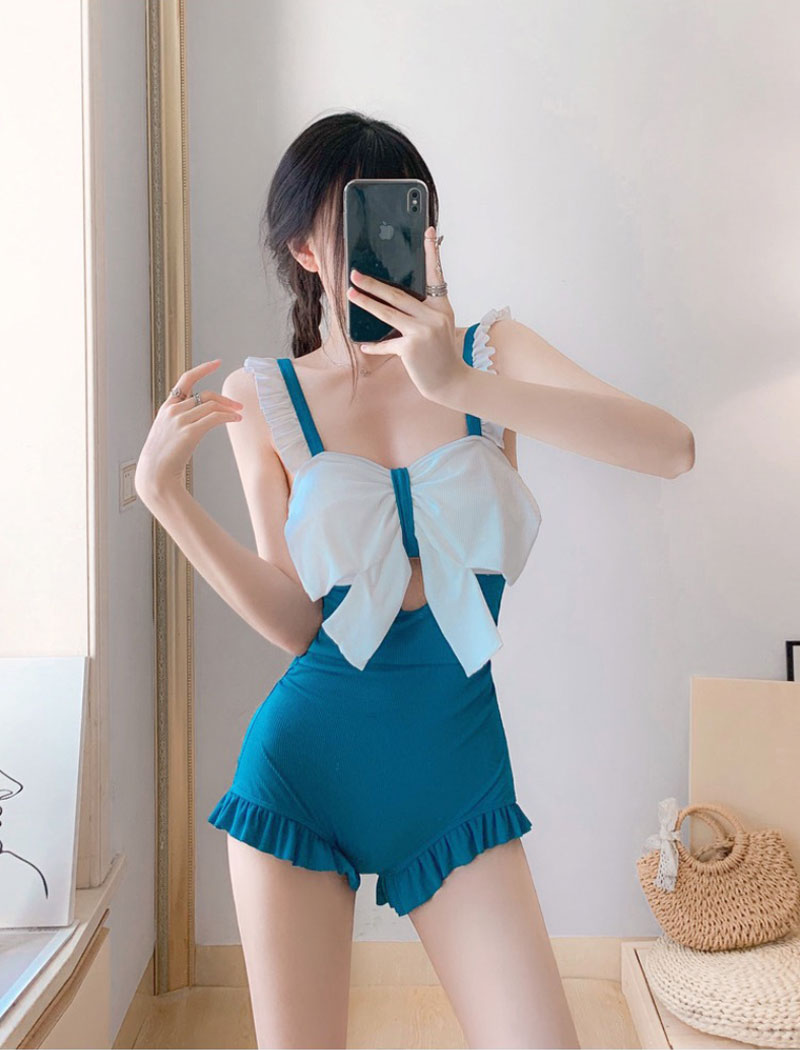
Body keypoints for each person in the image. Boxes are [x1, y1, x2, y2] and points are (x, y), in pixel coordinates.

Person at [135, 111, 694, 1050]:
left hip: (457, 774)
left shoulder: (493, 352)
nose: (381, 243)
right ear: (303, 251)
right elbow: (296, 622)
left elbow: (671, 450)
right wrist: (167, 500)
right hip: (303, 770)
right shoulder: (265, 397)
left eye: (400, 212)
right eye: (348, 221)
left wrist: (459, 386)